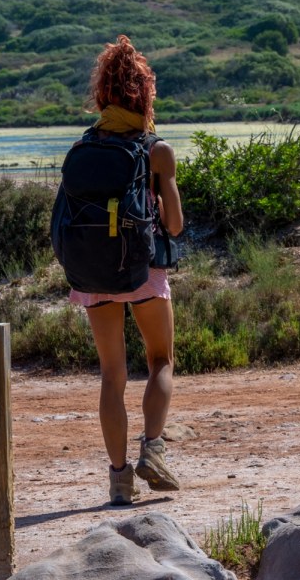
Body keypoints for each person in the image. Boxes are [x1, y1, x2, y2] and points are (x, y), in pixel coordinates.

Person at [69, 34, 184, 506]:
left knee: (112, 375)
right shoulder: (157, 150)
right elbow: (173, 226)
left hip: (93, 274)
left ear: (103, 94)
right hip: (143, 270)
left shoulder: (84, 146)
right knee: (160, 360)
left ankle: (118, 480)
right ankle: (152, 449)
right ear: (144, 93)